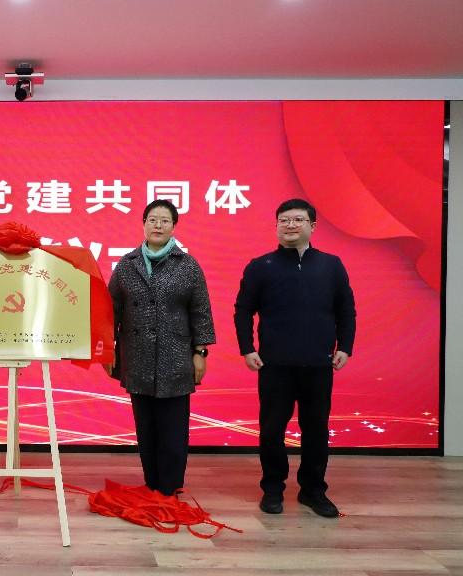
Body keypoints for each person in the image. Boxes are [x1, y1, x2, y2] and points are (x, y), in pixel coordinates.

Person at [234, 198, 356, 518]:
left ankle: (313, 490)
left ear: (312, 226)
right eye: (284, 220)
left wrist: (345, 346)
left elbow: (346, 310)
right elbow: (243, 310)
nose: (290, 225)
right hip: (275, 365)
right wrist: (247, 348)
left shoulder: (331, 265)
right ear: (276, 226)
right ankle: (273, 488)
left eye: (298, 220)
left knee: (316, 430)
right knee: (271, 430)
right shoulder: (261, 266)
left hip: (318, 364)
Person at [106, 199, 215, 496]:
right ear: (144, 224)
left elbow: (201, 312)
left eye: (164, 220)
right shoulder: (127, 265)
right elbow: (111, 310)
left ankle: (169, 487)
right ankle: (151, 484)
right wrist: (106, 349)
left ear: (173, 227)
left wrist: (200, 352)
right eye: (152, 219)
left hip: (176, 356)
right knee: (146, 428)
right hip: (136, 355)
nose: (158, 225)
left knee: (173, 429)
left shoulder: (188, 265)